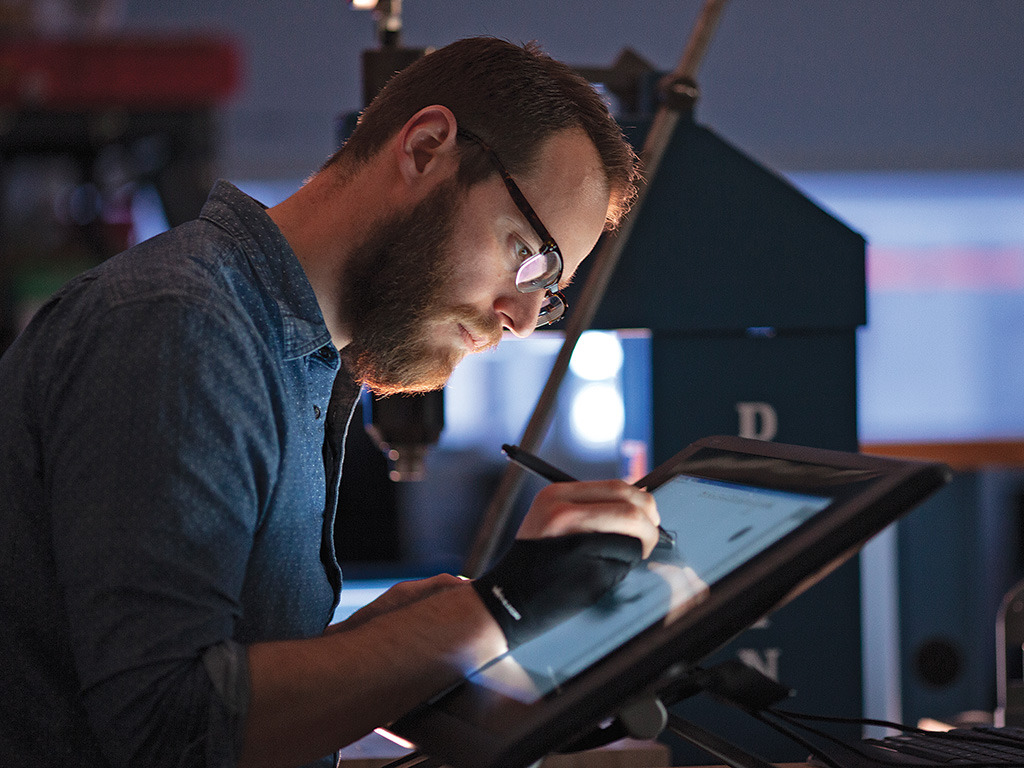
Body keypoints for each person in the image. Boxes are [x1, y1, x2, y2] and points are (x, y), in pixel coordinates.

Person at [0, 37, 660, 768]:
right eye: (528, 256)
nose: (523, 318)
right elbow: (170, 731)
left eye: (550, 294)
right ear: (427, 148)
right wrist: (496, 608)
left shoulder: (295, 356)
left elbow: (217, 679)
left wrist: (386, 643)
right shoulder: (182, 327)